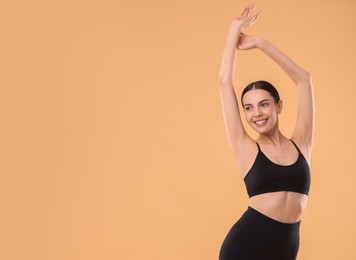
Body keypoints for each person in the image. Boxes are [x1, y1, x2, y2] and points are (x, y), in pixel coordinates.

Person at [218, 3, 314, 260]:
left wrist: (260, 42)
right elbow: (224, 82)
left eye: (264, 104)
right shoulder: (246, 148)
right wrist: (234, 29)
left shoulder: (301, 142)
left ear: (278, 106)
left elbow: (303, 79)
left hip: (285, 250)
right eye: (248, 108)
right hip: (245, 248)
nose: (256, 113)